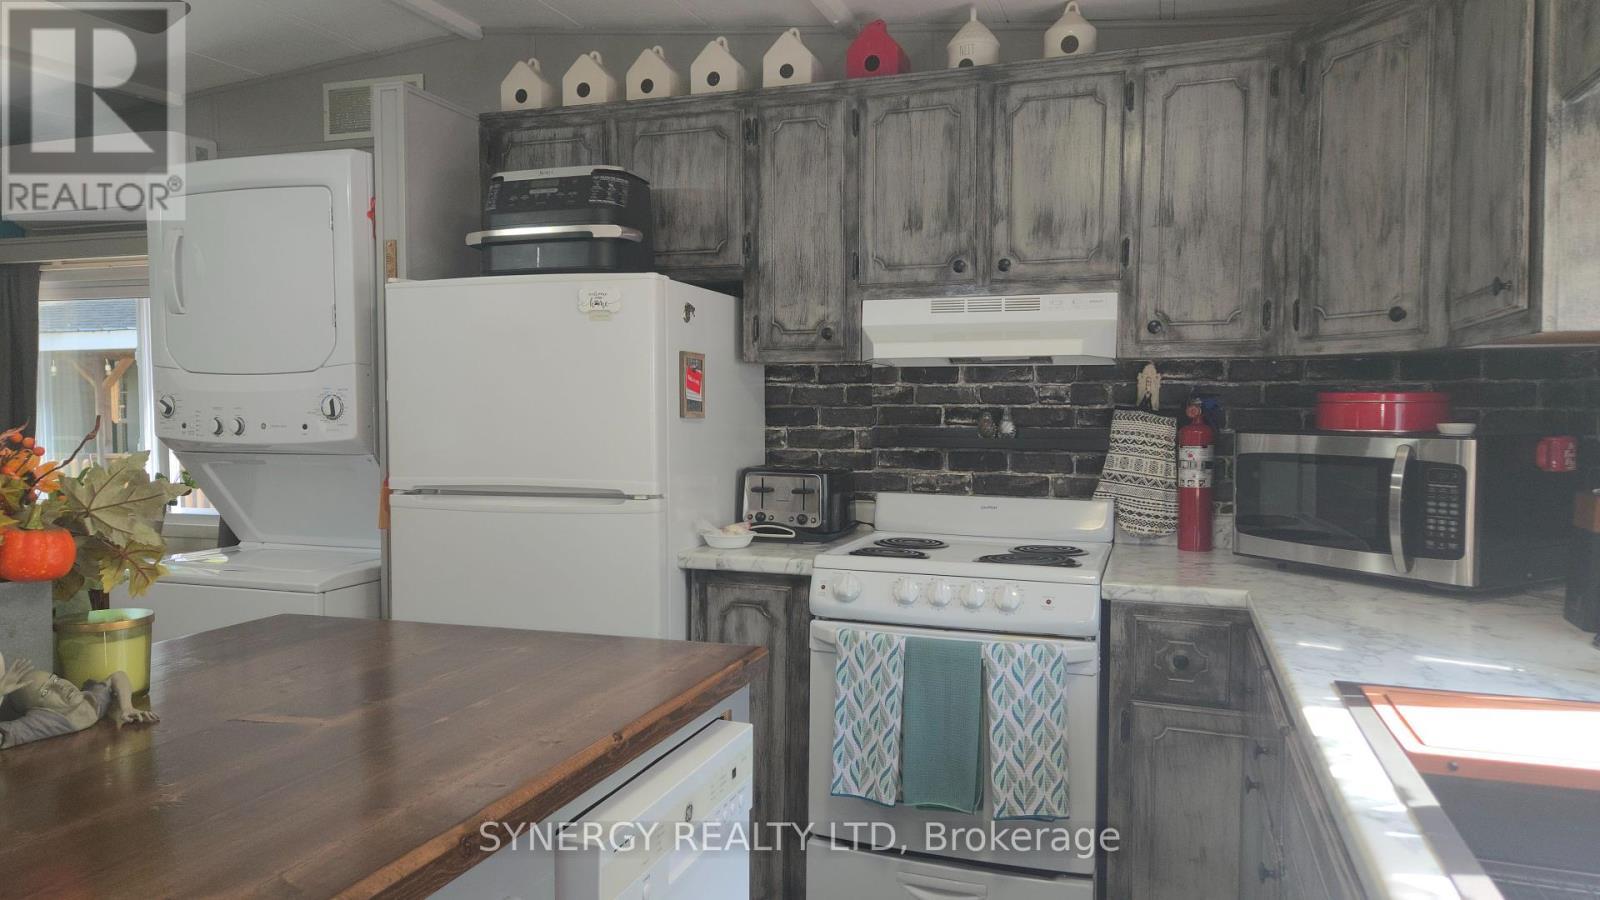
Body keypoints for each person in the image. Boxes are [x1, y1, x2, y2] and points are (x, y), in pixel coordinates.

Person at [0, 651, 157, 749]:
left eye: (55, 679)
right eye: (46, 691)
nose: (61, 687)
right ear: (38, 710)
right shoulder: (40, 722)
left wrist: (127, 707)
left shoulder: (87, 701)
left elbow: (117, 676)